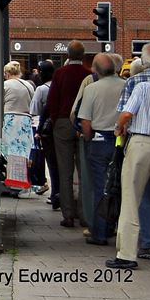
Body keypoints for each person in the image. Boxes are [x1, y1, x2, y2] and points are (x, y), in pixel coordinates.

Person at [108, 43, 150, 269]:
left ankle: (126, 254)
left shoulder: (140, 85)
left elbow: (126, 114)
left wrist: (119, 127)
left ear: (143, 63)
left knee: (131, 198)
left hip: (141, 142)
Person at [78, 53, 126, 246]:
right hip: (120, 140)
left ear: (95, 70)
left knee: (100, 188)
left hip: (98, 141)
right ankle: (117, 228)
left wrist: (88, 139)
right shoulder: (126, 85)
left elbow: (85, 121)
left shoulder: (92, 89)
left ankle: (100, 233)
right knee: (120, 187)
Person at [47, 40, 92, 227]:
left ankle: (68, 214)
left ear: (68, 55)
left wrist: (56, 119)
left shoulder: (60, 74)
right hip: (84, 123)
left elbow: (52, 100)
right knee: (84, 172)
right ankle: (84, 214)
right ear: (83, 56)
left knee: (64, 170)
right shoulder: (89, 75)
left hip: (64, 122)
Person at [1, 61, 35, 196]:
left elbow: (0, 103)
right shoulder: (29, 85)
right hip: (25, 122)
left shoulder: (5, 85)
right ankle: (22, 185)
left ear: (7, 73)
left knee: (9, 153)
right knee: (22, 154)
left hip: (10, 120)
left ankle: (12, 183)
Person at [30, 60, 57, 201]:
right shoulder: (58, 86)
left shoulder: (41, 89)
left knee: (49, 161)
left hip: (45, 128)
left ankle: (52, 192)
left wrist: (38, 131)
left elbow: (35, 110)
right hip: (59, 127)